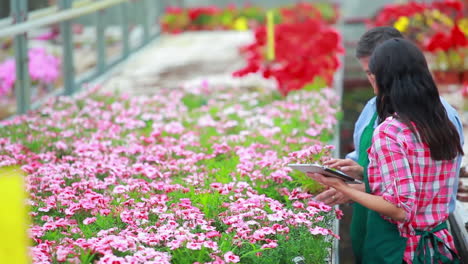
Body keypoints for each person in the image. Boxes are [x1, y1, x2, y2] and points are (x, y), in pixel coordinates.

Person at [313, 27, 465, 263]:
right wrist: (364, 172)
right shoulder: (442, 118)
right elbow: (422, 180)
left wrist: (342, 187)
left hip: (399, 248)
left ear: (380, 76)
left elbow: (401, 209)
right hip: (438, 245)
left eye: (371, 73)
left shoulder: (391, 130)